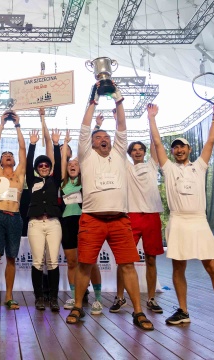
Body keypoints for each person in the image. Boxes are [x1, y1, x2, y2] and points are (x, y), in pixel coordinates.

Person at [65, 82, 154, 331]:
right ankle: (78, 306)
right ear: (92, 143)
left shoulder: (118, 154)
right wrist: (92, 101)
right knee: (84, 264)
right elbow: (85, 128)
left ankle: (137, 312)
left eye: (107, 137)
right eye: (99, 138)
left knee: (128, 265)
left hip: (119, 220)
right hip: (92, 219)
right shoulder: (86, 155)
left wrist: (118, 100)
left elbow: (122, 127)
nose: (104, 139)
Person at [147, 103, 214, 332]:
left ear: (189, 150)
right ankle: (183, 311)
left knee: (213, 268)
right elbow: (158, 143)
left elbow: (210, 142)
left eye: (183, 147)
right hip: (178, 221)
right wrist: (152, 118)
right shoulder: (168, 169)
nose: (179, 150)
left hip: (199, 221)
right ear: (172, 152)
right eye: (175, 147)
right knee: (178, 268)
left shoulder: (199, 167)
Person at [111, 125, 165, 314]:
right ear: (130, 154)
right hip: (131, 216)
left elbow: (155, 144)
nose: (137, 152)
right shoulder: (126, 167)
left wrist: (151, 120)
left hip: (152, 216)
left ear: (144, 152)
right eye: (134, 150)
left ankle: (150, 299)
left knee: (151, 259)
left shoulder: (152, 165)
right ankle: (120, 297)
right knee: (124, 261)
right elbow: (119, 144)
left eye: (140, 149)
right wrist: (117, 118)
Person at [0, 110, 26, 315]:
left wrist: (17, 125)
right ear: (0, 161)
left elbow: (22, 149)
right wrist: (1, 124)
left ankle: (9, 296)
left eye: (10, 155)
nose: (8, 156)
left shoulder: (19, 174)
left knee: (11, 257)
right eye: (5, 155)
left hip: (15, 217)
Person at [60, 131, 103, 315]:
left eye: (76, 164)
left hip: (84, 222)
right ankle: (75, 295)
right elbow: (63, 162)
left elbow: (84, 157)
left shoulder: (85, 180)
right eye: (70, 164)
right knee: (71, 262)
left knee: (90, 262)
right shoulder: (63, 183)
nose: (72, 165)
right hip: (67, 224)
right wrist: (64, 143)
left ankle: (98, 299)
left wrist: (96, 127)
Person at [25, 108, 63, 312]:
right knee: (38, 260)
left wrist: (56, 145)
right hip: (35, 224)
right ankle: (39, 297)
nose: (43, 166)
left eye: (45, 164)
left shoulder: (54, 180)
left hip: (54, 224)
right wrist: (32, 144)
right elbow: (28, 163)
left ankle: (53, 298)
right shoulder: (31, 180)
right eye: (40, 165)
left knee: (53, 260)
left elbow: (56, 161)